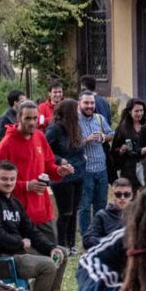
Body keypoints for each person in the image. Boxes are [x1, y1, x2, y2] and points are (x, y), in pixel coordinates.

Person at [0, 160, 69, 291]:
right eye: (4, 179)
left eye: (12, 179)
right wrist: (20, 243)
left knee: (61, 253)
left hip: (18, 251)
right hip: (1, 259)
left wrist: (50, 248)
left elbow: (31, 230)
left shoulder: (15, 203)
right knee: (48, 266)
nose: (9, 183)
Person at [0, 100, 74, 231]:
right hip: (18, 213)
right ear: (18, 118)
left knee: (52, 248)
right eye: (28, 118)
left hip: (42, 210)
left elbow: (48, 165)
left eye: (35, 118)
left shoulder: (40, 136)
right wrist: (25, 186)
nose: (32, 123)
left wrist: (59, 171)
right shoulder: (6, 144)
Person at [45, 99, 87, 251]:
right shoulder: (54, 130)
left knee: (74, 211)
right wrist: (59, 160)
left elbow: (79, 147)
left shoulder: (76, 127)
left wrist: (83, 157)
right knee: (65, 213)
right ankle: (62, 244)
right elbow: (45, 150)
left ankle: (72, 244)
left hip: (78, 174)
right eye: (76, 109)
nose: (79, 112)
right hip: (62, 178)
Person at [78, 91, 113, 238]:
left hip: (101, 168)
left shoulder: (99, 118)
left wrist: (104, 137)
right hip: (85, 170)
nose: (90, 106)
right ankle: (87, 235)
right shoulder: (75, 122)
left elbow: (112, 134)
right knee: (85, 206)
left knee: (101, 204)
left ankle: (99, 232)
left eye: (92, 103)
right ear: (80, 103)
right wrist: (86, 140)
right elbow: (70, 144)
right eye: (86, 103)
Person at [111, 98, 146, 190]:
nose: (140, 113)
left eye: (142, 110)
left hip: (145, 166)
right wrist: (121, 150)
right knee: (129, 196)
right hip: (128, 168)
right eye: (136, 111)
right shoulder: (122, 128)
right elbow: (114, 150)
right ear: (129, 111)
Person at [83, 178, 134, 250]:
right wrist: (110, 242)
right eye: (118, 194)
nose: (122, 198)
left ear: (131, 196)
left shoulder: (138, 214)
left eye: (126, 194)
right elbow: (87, 240)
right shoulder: (102, 215)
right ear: (113, 196)